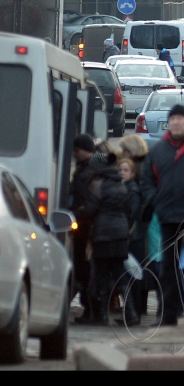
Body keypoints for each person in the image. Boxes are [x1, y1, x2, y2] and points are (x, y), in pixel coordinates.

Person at [141, 104, 184, 327]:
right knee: (168, 270)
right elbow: (147, 181)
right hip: (168, 216)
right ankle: (168, 314)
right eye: (173, 119)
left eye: (181, 119)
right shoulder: (158, 150)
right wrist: (156, 201)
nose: (176, 122)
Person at [79, 149, 139, 327]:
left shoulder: (97, 184)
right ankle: (131, 312)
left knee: (102, 275)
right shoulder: (120, 184)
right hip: (120, 234)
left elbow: (91, 208)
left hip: (103, 234)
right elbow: (128, 211)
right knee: (120, 274)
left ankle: (102, 316)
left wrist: (78, 213)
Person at [70, 135, 109, 324]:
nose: (74, 154)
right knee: (87, 269)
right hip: (88, 225)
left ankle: (93, 310)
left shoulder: (90, 170)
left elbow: (89, 200)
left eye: (76, 150)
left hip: (89, 227)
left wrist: (79, 213)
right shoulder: (90, 167)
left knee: (87, 269)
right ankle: (92, 309)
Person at [119, 158, 148, 316]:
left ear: (133, 173)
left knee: (134, 273)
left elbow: (132, 214)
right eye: (120, 170)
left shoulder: (133, 190)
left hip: (132, 237)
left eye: (126, 170)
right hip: (130, 236)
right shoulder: (125, 188)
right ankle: (132, 309)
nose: (122, 173)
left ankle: (135, 309)